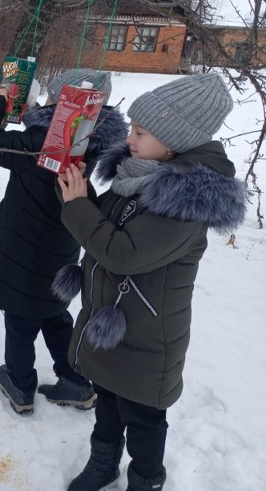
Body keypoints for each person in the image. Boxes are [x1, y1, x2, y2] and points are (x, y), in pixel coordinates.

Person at [56, 73, 247, 490]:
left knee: (143, 420)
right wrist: (77, 192)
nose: (129, 139)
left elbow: (124, 254)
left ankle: (146, 479)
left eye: (141, 132)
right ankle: (103, 463)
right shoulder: (141, 172)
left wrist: (77, 208)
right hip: (112, 324)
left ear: (173, 141)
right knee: (106, 402)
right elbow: (103, 222)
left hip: (147, 337)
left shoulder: (185, 199)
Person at [0, 69, 128, 416]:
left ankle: (20, 385)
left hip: (23, 253)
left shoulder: (40, 145)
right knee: (55, 315)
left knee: (21, 321)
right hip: (61, 250)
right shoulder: (90, 143)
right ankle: (75, 380)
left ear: (62, 103)